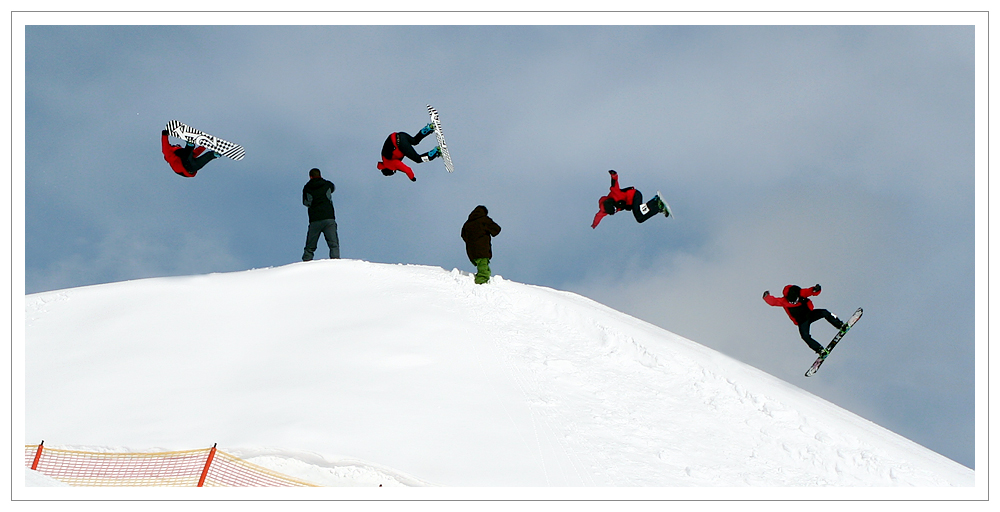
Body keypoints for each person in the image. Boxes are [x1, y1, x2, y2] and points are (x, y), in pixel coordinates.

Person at [763, 284, 847, 357]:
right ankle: (820, 350)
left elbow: (811, 291)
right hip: (802, 321)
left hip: (809, 314)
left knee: (824, 312)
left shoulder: (801, 293)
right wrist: (766, 296)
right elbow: (773, 302)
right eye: (791, 302)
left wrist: (816, 289)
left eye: (795, 301)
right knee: (805, 336)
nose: (793, 303)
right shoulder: (784, 301)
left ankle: (840, 325)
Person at [591, 170, 669, 228]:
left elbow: (614, 183)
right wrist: (594, 225)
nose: (616, 209)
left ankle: (658, 207)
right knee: (641, 213)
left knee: (640, 217)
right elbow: (598, 216)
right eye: (615, 211)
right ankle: (655, 201)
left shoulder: (614, 193)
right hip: (631, 202)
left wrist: (613, 175)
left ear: (612, 203)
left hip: (634, 195)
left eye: (615, 207)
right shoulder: (604, 211)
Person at [376, 123, 442, 181]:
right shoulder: (384, 158)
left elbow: (407, 169)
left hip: (400, 143)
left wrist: (412, 178)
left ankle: (436, 151)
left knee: (418, 159)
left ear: (390, 169)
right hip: (400, 135)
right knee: (415, 141)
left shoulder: (389, 164)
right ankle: (429, 128)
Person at [301, 168, 340, 261]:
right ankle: (335, 262)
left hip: (315, 220)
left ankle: (306, 263)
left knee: (310, 246)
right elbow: (333, 188)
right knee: (333, 244)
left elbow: (306, 203)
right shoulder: (327, 184)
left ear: (310, 176)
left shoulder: (307, 187)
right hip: (329, 218)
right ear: (320, 175)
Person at [461, 205, 501, 284]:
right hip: (482, 249)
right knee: (483, 266)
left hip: (471, 251)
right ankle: (481, 282)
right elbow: (496, 229)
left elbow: (463, 235)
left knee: (482, 264)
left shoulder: (467, 224)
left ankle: (483, 279)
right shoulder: (484, 220)